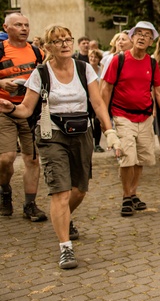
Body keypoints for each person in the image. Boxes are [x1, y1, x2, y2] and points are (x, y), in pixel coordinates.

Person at [0, 25, 122, 269]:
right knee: (61, 191)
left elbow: (98, 104)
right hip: (52, 134)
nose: (65, 44)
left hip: (82, 133)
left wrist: (110, 133)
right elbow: (26, 109)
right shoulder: (41, 74)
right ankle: (65, 247)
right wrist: (11, 109)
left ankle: (64, 218)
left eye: (68, 39)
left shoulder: (84, 68)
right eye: (58, 41)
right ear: (48, 47)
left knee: (80, 189)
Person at [100, 21, 160, 217]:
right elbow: (105, 89)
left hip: (145, 117)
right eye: (138, 33)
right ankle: (125, 196)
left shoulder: (151, 63)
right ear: (131, 37)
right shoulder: (118, 59)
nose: (141, 37)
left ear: (151, 41)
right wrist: (104, 118)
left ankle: (133, 193)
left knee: (140, 158)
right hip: (122, 115)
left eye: (146, 35)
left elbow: (158, 91)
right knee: (127, 158)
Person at [0, 13, 47, 221]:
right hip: (4, 110)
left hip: (31, 111)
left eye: (26, 25)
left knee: (32, 159)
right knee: (6, 159)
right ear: (6, 28)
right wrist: (1, 84)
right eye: (18, 25)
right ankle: (5, 190)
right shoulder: (1, 50)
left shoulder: (37, 52)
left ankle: (30, 204)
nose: (23, 28)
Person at [88, 49, 105, 153]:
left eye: (95, 57)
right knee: (89, 121)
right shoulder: (86, 69)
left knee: (98, 121)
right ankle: (89, 143)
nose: (93, 59)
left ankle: (97, 144)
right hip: (87, 100)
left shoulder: (101, 71)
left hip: (98, 99)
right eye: (91, 57)